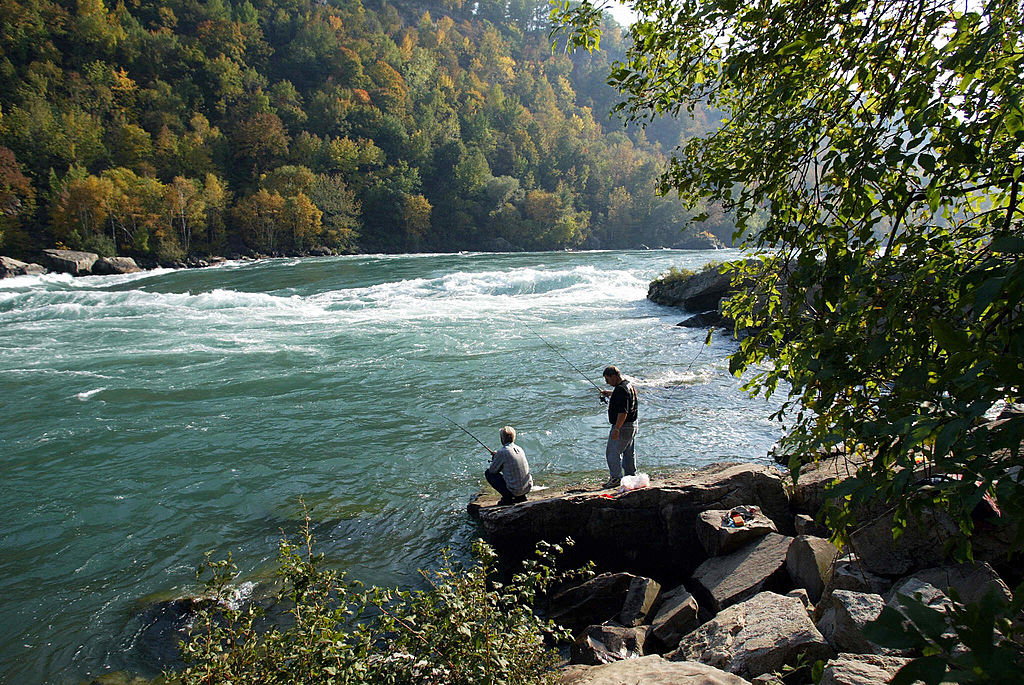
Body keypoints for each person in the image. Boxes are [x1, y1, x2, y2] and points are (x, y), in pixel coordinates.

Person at [598, 365, 638, 488]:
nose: (607, 382)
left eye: (607, 379)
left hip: (623, 426)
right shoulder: (628, 385)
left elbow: (623, 412)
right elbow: (624, 397)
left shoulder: (621, 390)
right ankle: (631, 477)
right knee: (628, 453)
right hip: (633, 425)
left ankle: (616, 478)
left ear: (614, 376)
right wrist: (609, 393)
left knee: (612, 452)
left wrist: (617, 428)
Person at [485, 425, 533, 505]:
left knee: (488, 473)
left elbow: (493, 470)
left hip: (515, 491)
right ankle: (521, 497)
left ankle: (507, 498)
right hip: (527, 488)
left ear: (502, 439)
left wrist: (495, 459)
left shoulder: (502, 452)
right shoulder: (519, 449)